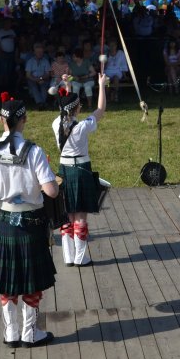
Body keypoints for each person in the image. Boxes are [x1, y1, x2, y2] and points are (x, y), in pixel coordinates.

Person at [0, 93, 60, 348]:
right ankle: (30, 332)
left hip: (5, 219)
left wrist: (1, 188)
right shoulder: (34, 152)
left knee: (8, 279)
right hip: (31, 220)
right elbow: (51, 191)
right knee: (31, 279)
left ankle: (11, 332)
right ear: (24, 119)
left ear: (2, 120)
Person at [53, 73, 108, 267]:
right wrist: (101, 85)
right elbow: (100, 109)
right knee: (81, 215)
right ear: (78, 108)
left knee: (67, 214)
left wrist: (67, 86)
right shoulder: (82, 127)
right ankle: (81, 257)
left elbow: (65, 106)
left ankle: (69, 256)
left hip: (64, 170)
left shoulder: (56, 124)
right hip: (81, 170)